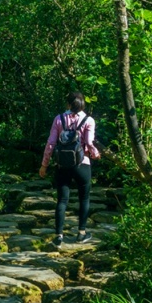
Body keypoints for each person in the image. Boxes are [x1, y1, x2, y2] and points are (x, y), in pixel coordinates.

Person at [39, 92, 100, 248]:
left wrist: (44, 165)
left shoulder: (59, 119)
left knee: (62, 200)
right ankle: (81, 233)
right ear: (82, 105)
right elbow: (89, 142)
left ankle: (58, 237)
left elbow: (51, 143)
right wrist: (95, 154)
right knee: (84, 198)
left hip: (62, 165)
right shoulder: (89, 120)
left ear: (68, 104)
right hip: (82, 164)